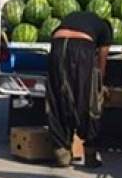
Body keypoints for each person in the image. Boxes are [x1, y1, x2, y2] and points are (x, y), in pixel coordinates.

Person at [46, 10, 112, 168]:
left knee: (58, 95)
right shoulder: (105, 28)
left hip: (57, 44)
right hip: (81, 47)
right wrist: (99, 83)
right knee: (86, 100)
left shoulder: (73, 17)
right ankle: (89, 153)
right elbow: (103, 56)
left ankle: (61, 151)